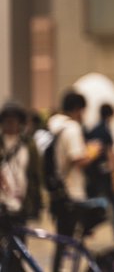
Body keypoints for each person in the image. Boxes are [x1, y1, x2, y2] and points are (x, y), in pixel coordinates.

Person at [47, 90, 103, 272]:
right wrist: (93, 152)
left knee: (62, 240)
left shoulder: (54, 126)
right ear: (78, 108)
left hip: (59, 192)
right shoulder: (71, 129)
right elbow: (78, 159)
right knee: (71, 239)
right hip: (72, 193)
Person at [0, 101, 43, 271]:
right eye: (7, 120)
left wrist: (36, 205)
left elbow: (35, 176)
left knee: (19, 249)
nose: (11, 124)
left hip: (20, 206)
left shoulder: (29, 145)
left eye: (14, 120)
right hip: (1, 205)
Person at [85, 103, 114, 242]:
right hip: (106, 173)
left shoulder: (93, 130)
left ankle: (87, 230)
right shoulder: (106, 131)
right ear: (110, 115)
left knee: (93, 202)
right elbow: (111, 155)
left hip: (94, 174)